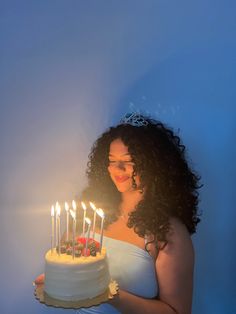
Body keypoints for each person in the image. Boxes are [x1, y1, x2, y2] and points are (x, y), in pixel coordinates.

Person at [35, 112, 201, 314]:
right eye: (112, 160)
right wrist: (58, 280)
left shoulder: (167, 232)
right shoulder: (89, 212)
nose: (118, 169)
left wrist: (110, 293)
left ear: (155, 165)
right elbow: (69, 264)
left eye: (129, 160)